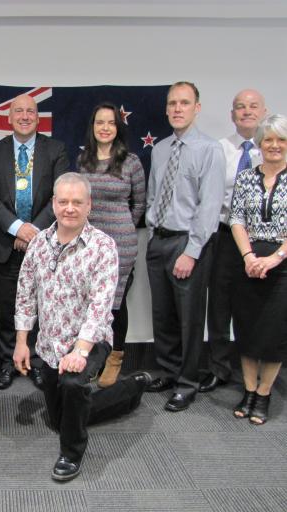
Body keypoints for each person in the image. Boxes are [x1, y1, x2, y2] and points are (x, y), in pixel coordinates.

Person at [14, 173, 151, 481]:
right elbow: (24, 294)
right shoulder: (38, 243)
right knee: (59, 418)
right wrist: (22, 341)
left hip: (90, 341)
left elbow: (100, 307)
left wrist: (80, 350)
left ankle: (71, 453)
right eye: (63, 201)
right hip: (49, 345)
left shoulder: (103, 247)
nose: (70, 208)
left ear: (89, 205)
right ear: (53, 204)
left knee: (74, 385)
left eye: (78, 202)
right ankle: (132, 388)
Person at [144, 81, 226, 412]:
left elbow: (210, 206)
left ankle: (188, 382)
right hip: (159, 240)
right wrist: (152, 232)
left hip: (187, 242)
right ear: (166, 108)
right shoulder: (161, 148)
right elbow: (152, 194)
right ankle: (169, 370)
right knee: (162, 315)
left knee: (189, 319)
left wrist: (191, 251)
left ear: (197, 107)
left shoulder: (210, 150)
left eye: (185, 103)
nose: (178, 108)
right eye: (172, 103)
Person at [0, 93, 69, 390]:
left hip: (45, 244)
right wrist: (18, 229)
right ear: (9, 117)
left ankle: (38, 362)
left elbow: (60, 195)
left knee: (45, 306)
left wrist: (34, 232)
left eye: (30, 111)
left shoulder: (56, 150)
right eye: (18, 111)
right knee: (9, 308)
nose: (24, 116)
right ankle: (8, 362)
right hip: (7, 245)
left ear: (38, 116)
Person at [76, 103, 146, 387]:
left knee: (114, 305)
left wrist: (124, 225)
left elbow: (139, 203)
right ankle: (95, 357)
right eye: (99, 122)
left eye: (111, 123)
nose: (105, 128)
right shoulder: (83, 161)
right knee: (91, 304)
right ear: (92, 127)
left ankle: (115, 358)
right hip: (89, 244)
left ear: (118, 128)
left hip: (121, 246)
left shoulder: (131, 162)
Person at [201, 89, 266, 393]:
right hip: (226, 235)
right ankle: (219, 367)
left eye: (253, 106)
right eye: (240, 107)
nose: (246, 111)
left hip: (264, 240)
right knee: (219, 305)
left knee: (257, 304)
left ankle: (256, 370)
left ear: (263, 112)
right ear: (232, 114)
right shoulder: (221, 149)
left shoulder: (273, 147)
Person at [229, 114, 287, 425]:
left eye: (281, 139)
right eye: (269, 140)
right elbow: (236, 219)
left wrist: (275, 257)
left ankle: (264, 393)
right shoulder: (246, 178)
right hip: (248, 262)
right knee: (248, 328)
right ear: (260, 143)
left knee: (274, 333)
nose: (274, 145)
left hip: (282, 264)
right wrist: (249, 256)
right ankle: (249, 390)